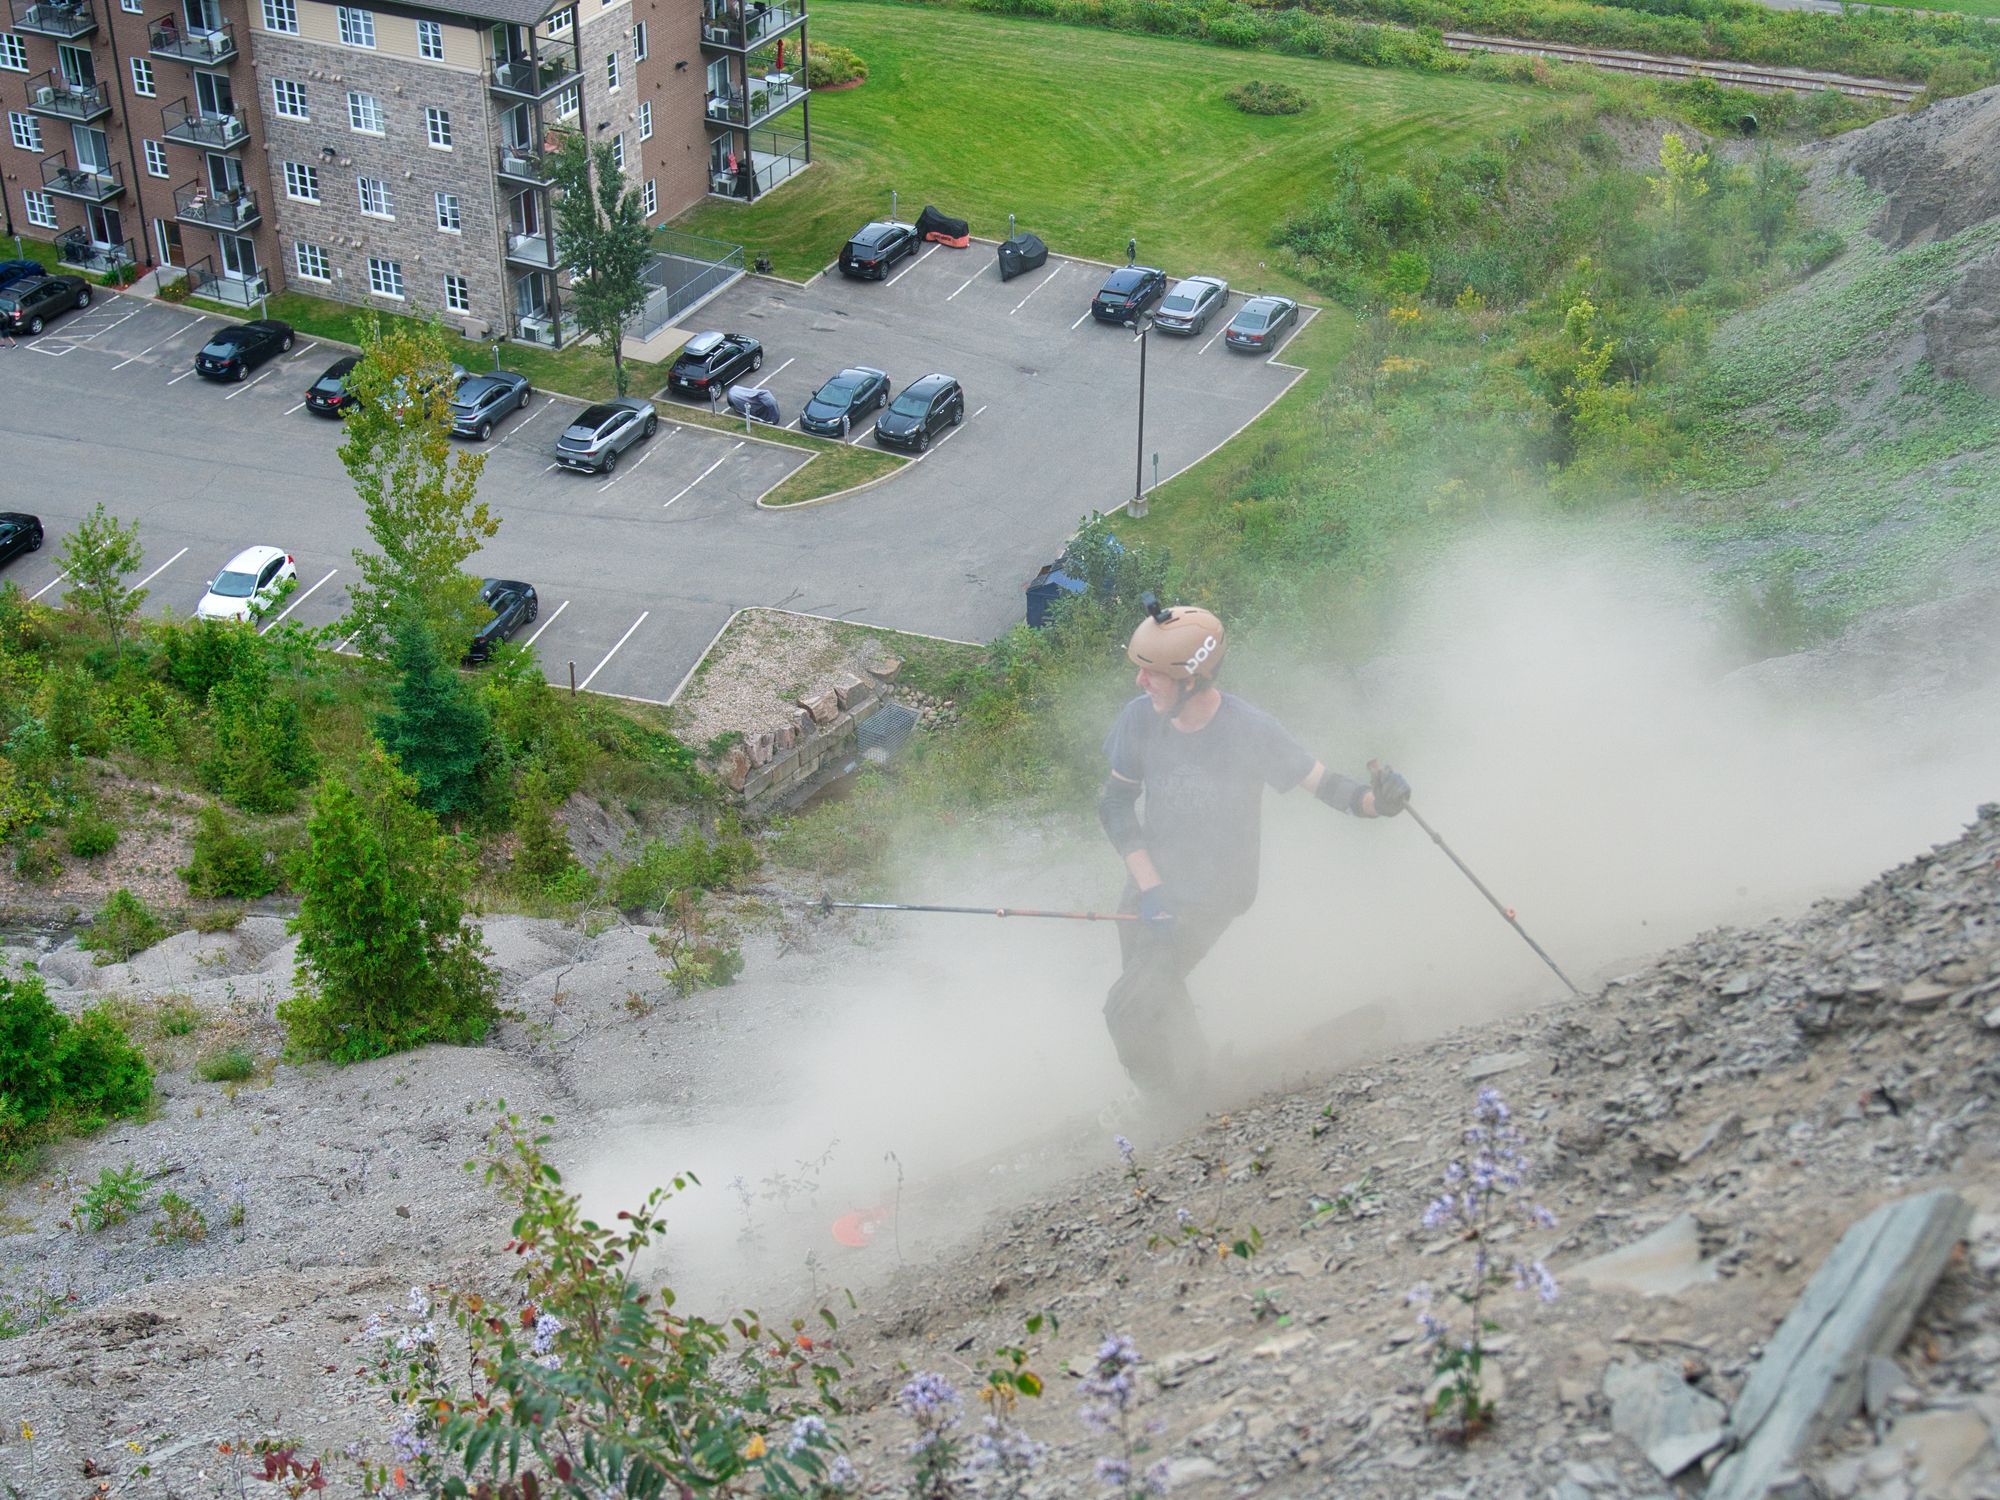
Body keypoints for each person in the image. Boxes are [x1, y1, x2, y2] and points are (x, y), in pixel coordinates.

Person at [1096, 597, 1410, 1103]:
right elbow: (1114, 806)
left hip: (1213, 891)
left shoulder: (1249, 730)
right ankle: (1198, 1075)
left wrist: (1380, 803)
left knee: (1127, 1009)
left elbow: (1324, 784)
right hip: (1151, 885)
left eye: (1153, 674)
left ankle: (1168, 1110)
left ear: (1192, 679)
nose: (1140, 682)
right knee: (1156, 987)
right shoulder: (1139, 720)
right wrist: (1150, 888)